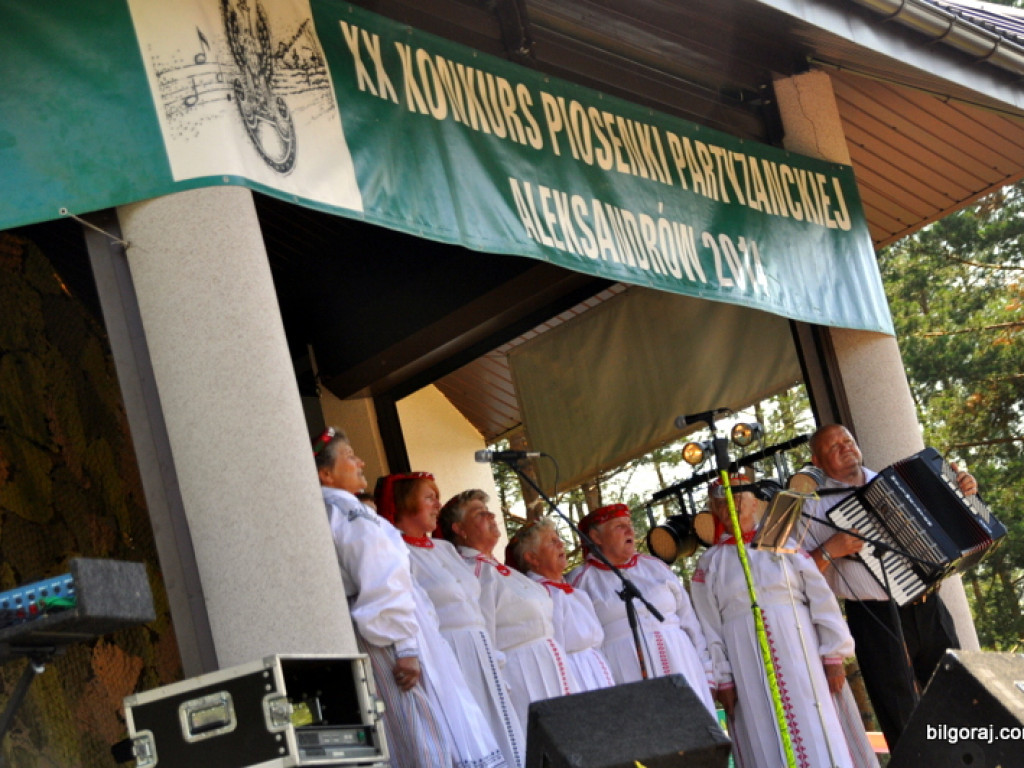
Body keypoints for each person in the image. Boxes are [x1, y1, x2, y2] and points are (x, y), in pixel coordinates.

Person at [314, 429, 504, 768]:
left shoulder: (335, 514)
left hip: (395, 633)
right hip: (390, 638)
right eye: (350, 456)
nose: (361, 462)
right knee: (421, 728)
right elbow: (382, 581)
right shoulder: (349, 515)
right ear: (325, 474)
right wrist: (406, 648)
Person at [798, 423, 978, 750]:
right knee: (901, 713)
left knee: (959, 695)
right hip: (873, 616)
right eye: (833, 446)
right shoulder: (811, 508)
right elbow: (798, 579)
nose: (845, 447)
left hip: (926, 603)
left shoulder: (899, 483)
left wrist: (964, 492)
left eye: (847, 441)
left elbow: (950, 518)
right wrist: (829, 550)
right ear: (816, 460)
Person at [692, 476, 879, 768]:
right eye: (721, 504)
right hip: (745, 664)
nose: (730, 508)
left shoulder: (784, 545)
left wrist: (833, 654)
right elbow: (708, 625)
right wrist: (722, 677)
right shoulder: (709, 563)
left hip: (801, 652)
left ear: (755, 504)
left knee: (817, 726)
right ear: (714, 512)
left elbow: (820, 597)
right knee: (762, 729)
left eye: (738, 501)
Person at [376, 472, 525, 768]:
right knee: (471, 731)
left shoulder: (445, 549)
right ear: (405, 503)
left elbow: (475, 604)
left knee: (505, 730)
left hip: (480, 647)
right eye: (429, 498)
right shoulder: (397, 551)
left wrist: (494, 656)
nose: (437, 505)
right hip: (449, 651)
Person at [438, 489, 580, 729]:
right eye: (479, 514)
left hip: (551, 667)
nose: (491, 515)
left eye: (488, 511)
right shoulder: (471, 573)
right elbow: (484, 637)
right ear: (459, 529)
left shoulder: (501, 571)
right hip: (522, 675)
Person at [567, 504, 716, 716]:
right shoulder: (580, 581)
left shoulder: (655, 566)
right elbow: (584, 646)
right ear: (595, 537)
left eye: (630, 525)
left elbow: (689, 620)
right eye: (620, 526)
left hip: (683, 665)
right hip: (627, 677)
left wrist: (708, 670)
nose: (630, 531)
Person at [506, 518, 615, 692]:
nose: (561, 544)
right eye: (552, 542)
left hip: (595, 670)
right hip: (571, 675)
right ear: (532, 558)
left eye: (559, 539)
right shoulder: (540, 596)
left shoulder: (575, 593)